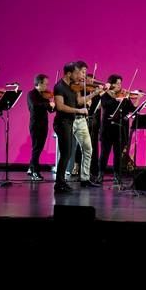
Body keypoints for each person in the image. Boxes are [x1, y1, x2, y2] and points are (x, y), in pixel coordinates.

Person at [98, 74, 139, 185]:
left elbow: (132, 109)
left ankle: (117, 176)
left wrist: (138, 99)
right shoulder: (105, 94)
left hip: (120, 129)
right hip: (107, 128)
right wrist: (117, 99)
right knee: (104, 153)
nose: (119, 85)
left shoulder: (124, 96)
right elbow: (105, 105)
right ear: (111, 84)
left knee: (118, 154)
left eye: (120, 83)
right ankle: (100, 175)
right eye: (117, 83)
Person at [53, 63, 87, 193]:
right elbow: (60, 107)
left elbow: (78, 101)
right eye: (76, 73)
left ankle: (61, 182)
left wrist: (95, 92)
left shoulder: (71, 87)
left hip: (69, 122)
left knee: (67, 153)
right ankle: (59, 183)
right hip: (62, 123)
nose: (79, 76)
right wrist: (79, 111)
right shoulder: (59, 87)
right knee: (66, 153)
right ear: (68, 73)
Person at [71, 61, 106, 187]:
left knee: (89, 148)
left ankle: (87, 176)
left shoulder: (90, 90)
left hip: (88, 122)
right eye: (84, 73)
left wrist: (98, 92)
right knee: (73, 150)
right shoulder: (75, 87)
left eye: (86, 73)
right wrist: (91, 96)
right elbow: (79, 101)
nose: (86, 78)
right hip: (76, 120)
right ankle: (69, 173)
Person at [27, 74, 55, 181]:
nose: (47, 86)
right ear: (39, 83)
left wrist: (54, 105)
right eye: (45, 84)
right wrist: (47, 104)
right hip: (35, 125)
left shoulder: (45, 95)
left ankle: (31, 168)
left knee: (38, 148)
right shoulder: (31, 94)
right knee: (36, 148)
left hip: (44, 124)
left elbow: (50, 110)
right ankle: (35, 171)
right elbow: (34, 106)